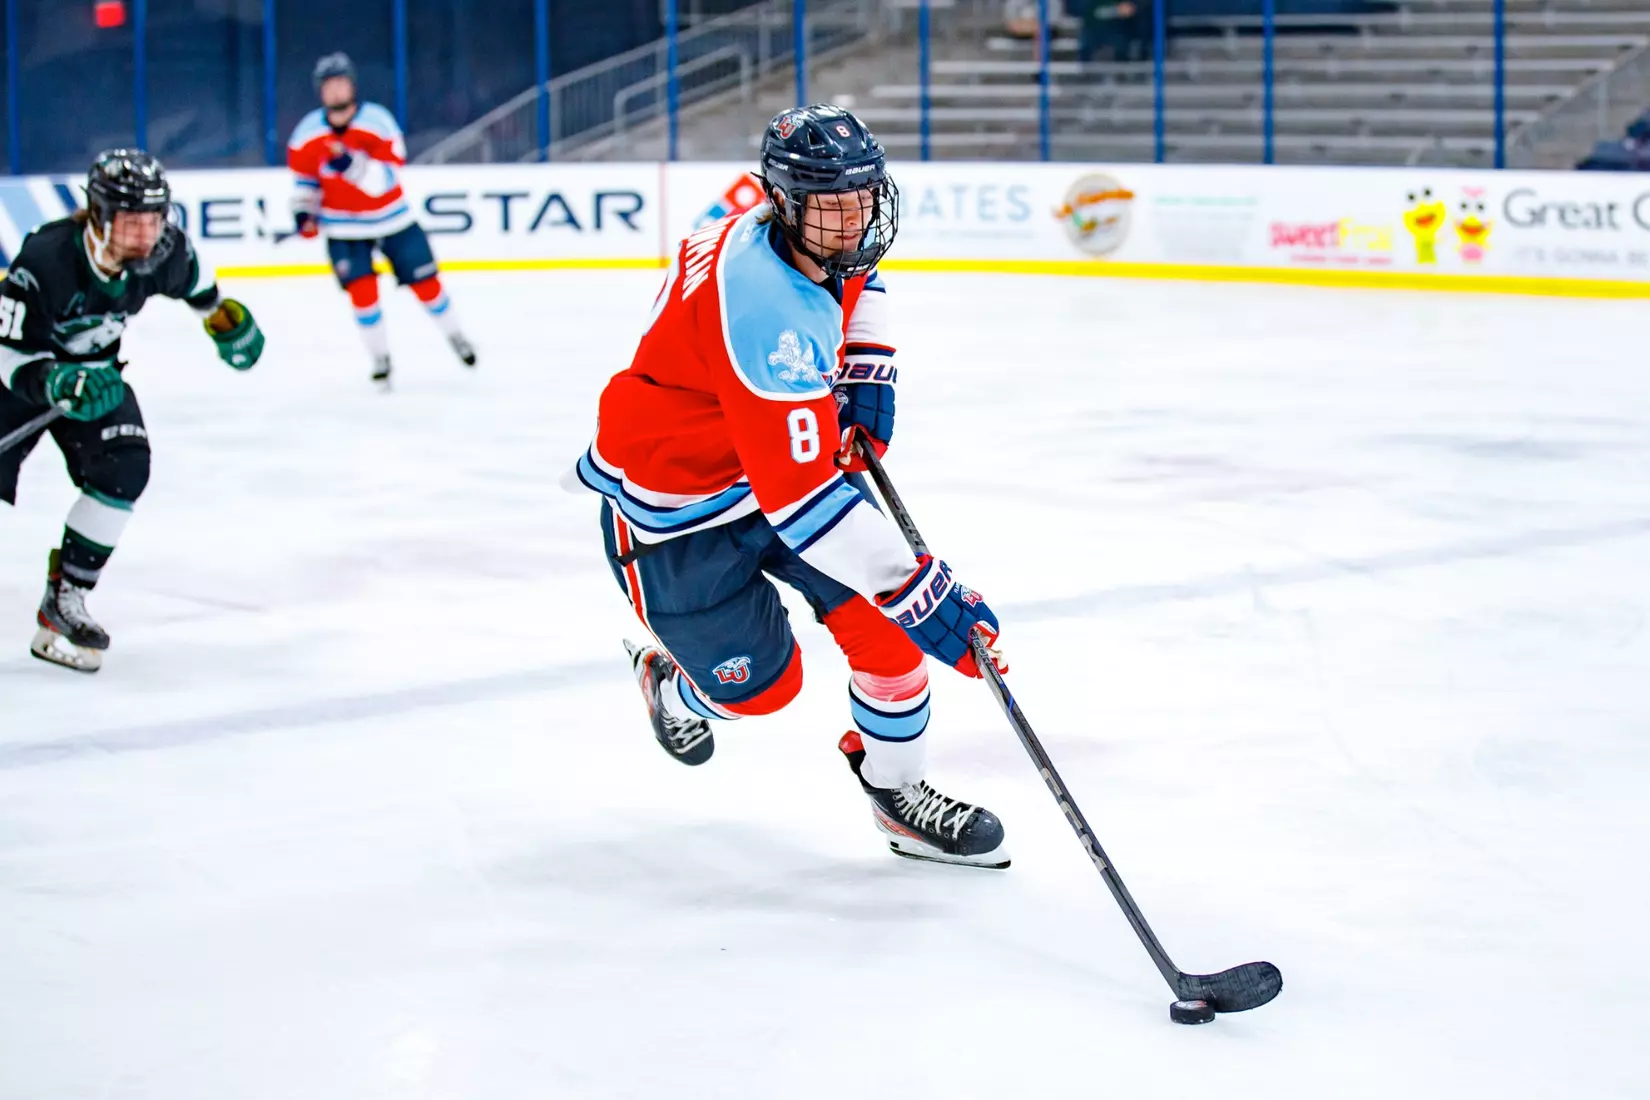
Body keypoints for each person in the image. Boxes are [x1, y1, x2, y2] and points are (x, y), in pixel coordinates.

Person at [567, 105, 1011, 869]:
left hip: (765, 453)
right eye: (833, 206)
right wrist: (926, 591)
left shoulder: (778, 208)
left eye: (863, 198)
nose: (855, 221)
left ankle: (899, 795)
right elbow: (803, 501)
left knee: (891, 638)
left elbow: (856, 265)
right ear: (786, 201)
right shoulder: (765, 307)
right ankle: (673, 688)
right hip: (679, 506)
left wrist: (867, 360)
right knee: (762, 691)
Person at [0, 149, 264, 673]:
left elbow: (201, 289)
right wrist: (54, 380)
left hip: (96, 379)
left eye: (153, 220)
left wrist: (223, 322)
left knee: (126, 464)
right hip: (23, 382)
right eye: (131, 223)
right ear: (97, 216)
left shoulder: (166, 254)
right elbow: (8, 352)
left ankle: (64, 601)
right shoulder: (47, 260)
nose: (145, 235)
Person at [287, 52, 475, 388]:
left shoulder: (378, 122)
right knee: (362, 292)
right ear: (320, 91)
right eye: (328, 85)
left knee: (427, 286)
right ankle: (380, 359)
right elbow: (305, 182)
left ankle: (456, 336)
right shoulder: (306, 134)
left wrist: (350, 164)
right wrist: (304, 213)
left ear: (352, 86)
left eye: (341, 83)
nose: (335, 91)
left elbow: (387, 180)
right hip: (343, 228)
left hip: (392, 221)